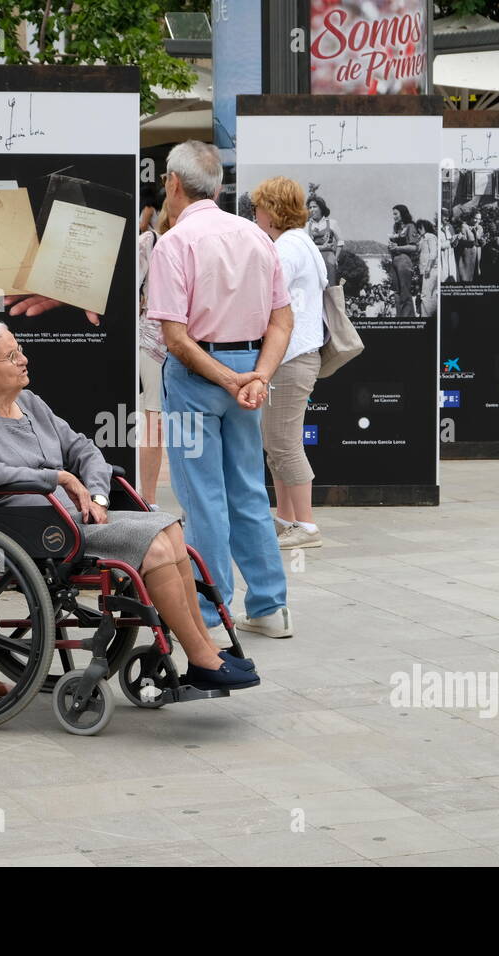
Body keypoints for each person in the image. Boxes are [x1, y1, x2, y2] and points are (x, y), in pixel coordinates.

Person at [0, 320, 258, 689]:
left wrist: (96, 494)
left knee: (171, 528)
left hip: (70, 514)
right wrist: (57, 478)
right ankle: (201, 657)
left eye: (20, 351)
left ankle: (206, 649)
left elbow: (83, 448)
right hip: (30, 523)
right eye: (11, 355)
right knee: (157, 549)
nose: (24, 360)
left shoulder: (29, 403)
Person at [146, 141, 295, 639]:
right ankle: (271, 607)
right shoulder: (256, 236)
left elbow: (174, 337)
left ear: (172, 184)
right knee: (249, 488)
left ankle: (212, 612)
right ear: (218, 186)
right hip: (248, 368)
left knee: (204, 496)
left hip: (198, 375)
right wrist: (258, 376)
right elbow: (282, 319)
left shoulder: (174, 242)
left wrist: (234, 378)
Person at [251, 176, 325, 551]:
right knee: (277, 441)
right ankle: (286, 518)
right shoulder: (303, 243)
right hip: (298, 356)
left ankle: (306, 525)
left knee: (284, 443)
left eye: (259, 206)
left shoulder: (287, 248)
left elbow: (262, 293)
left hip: (291, 357)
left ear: (273, 210)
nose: (256, 213)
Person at [136, 205, 174, 508]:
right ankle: (148, 500)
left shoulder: (201, 241)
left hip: (194, 342)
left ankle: (192, 504)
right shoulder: (150, 242)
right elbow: (128, 288)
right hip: (153, 344)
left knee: (192, 424)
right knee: (154, 421)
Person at [386, 204, 420, 316]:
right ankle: (400, 317)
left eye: (396, 214)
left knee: (405, 292)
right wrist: (391, 247)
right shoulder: (396, 227)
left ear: (402, 213)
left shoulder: (410, 226)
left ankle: (408, 319)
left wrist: (398, 248)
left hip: (404, 260)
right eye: (393, 214)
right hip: (395, 260)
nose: (394, 216)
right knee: (397, 292)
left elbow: (414, 247)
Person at [305, 194, 342, 286]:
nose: (312, 210)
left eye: (314, 207)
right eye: (310, 207)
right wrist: (322, 247)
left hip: (328, 259)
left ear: (321, 208)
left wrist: (335, 258)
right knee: (314, 286)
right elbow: (306, 246)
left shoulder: (332, 223)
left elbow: (340, 242)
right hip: (313, 259)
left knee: (330, 287)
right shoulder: (306, 226)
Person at [416, 219, 440, 315]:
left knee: (426, 296)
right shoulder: (423, 238)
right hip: (428, 270)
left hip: (430, 270)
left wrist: (428, 268)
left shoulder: (430, 236)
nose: (419, 229)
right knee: (432, 296)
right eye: (418, 227)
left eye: (421, 227)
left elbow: (433, 253)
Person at [453, 210, 478, 282]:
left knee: (471, 278)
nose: (476, 220)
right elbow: (462, 241)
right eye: (475, 218)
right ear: (470, 218)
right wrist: (472, 243)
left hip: (473, 257)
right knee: (465, 278)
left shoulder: (476, 227)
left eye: (478, 219)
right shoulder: (464, 226)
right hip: (465, 257)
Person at [439, 214, 457, 283]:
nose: (447, 218)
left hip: (451, 256)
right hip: (442, 256)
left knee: (452, 277)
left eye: (448, 216)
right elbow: (439, 245)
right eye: (445, 216)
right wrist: (450, 241)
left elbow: (454, 244)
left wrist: (456, 240)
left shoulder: (450, 227)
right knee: (443, 277)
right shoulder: (437, 228)